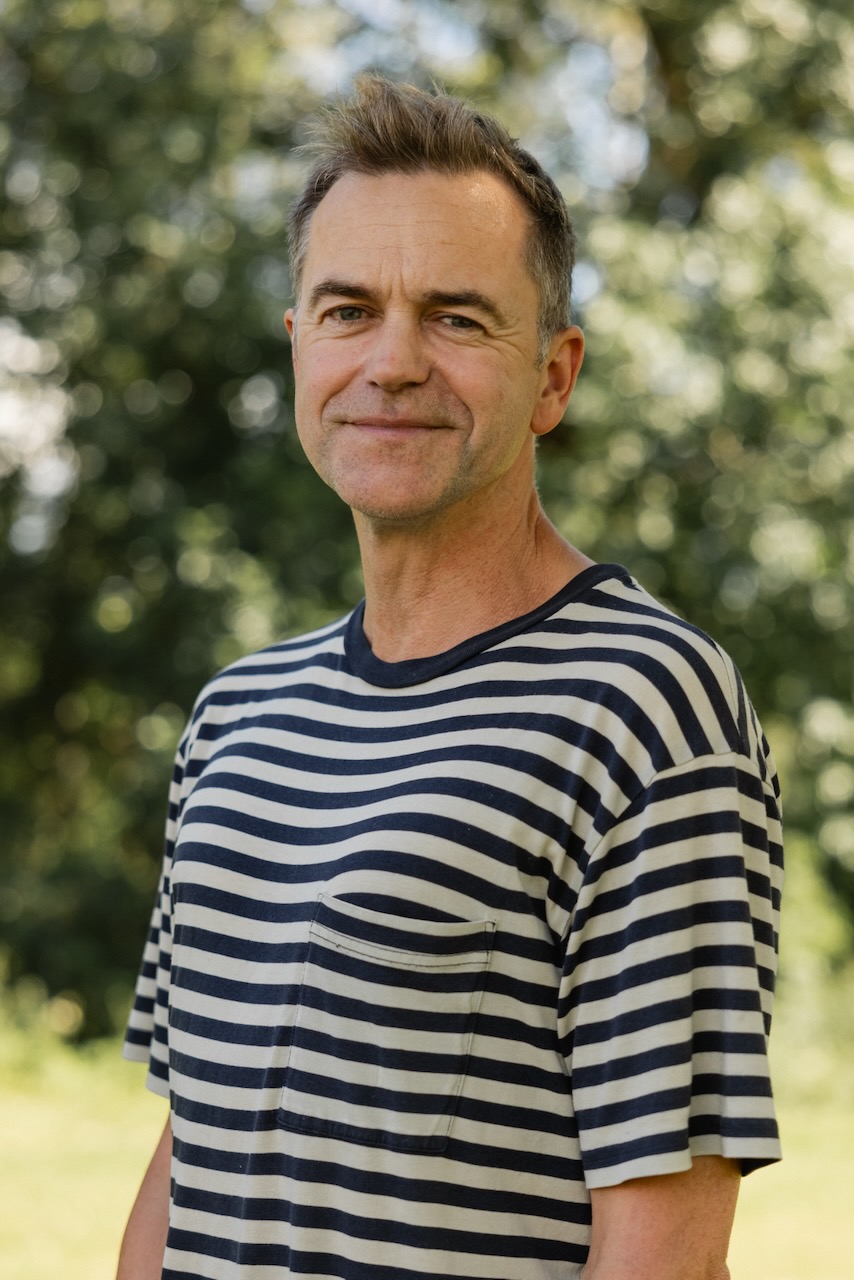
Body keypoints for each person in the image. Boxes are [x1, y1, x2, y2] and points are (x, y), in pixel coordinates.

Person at [117, 76, 783, 1280]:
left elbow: (664, 1246)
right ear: (298, 345)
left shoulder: (640, 710)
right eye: (348, 310)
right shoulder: (235, 718)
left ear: (553, 376)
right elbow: (189, 1159)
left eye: (456, 318)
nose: (391, 362)